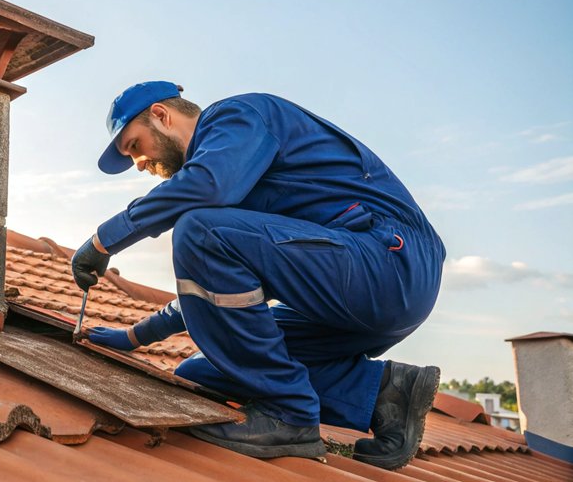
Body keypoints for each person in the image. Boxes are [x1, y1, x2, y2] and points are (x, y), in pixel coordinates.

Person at [70, 81, 445, 469]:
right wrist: (133, 337)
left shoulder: (238, 117)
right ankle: (386, 393)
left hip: (389, 263)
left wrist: (103, 241)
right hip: (353, 299)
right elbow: (217, 296)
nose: (140, 164)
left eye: (134, 146)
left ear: (162, 116)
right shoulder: (234, 186)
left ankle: (290, 414)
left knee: (198, 228)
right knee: (203, 370)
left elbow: (206, 194)